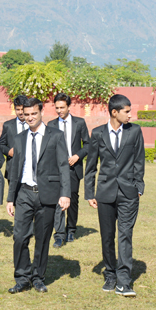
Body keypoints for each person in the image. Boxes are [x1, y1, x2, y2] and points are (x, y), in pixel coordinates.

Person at [5, 97, 70, 294]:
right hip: (24, 193)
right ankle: (22, 277)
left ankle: (38, 278)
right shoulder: (19, 138)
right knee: (19, 237)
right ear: (22, 115)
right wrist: (10, 198)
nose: (31, 117)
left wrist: (65, 194)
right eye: (27, 114)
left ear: (41, 112)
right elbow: (14, 169)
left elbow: (63, 166)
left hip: (47, 194)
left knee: (42, 238)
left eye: (34, 113)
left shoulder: (56, 136)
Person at [84, 94, 146, 297]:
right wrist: (89, 193)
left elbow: (139, 161)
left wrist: (139, 186)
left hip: (129, 193)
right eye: (127, 111)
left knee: (125, 235)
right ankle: (110, 274)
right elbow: (91, 165)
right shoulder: (98, 133)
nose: (130, 115)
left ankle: (124, 280)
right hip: (105, 193)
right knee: (107, 236)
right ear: (114, 112)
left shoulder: (135, 131)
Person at [47, 93, 90, 248]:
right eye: (57, 108)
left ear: (68, 106)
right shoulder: (50, 125)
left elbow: (88, 144)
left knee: (72, 201)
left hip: (73, 169)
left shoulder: (79, 123)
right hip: (56, 170)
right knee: (58, 201)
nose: (59, 111)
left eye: (62, 108)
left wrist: (77, 156)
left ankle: (71, 229)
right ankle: (59, 234)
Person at [0, 95, 29, 182]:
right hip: (13, 168)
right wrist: (8, 151)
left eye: (22, 109)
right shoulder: (8, 125)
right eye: (18, 109)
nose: (20, 112)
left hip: (31, 168)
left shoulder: (34, 124)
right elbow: (1, 144)